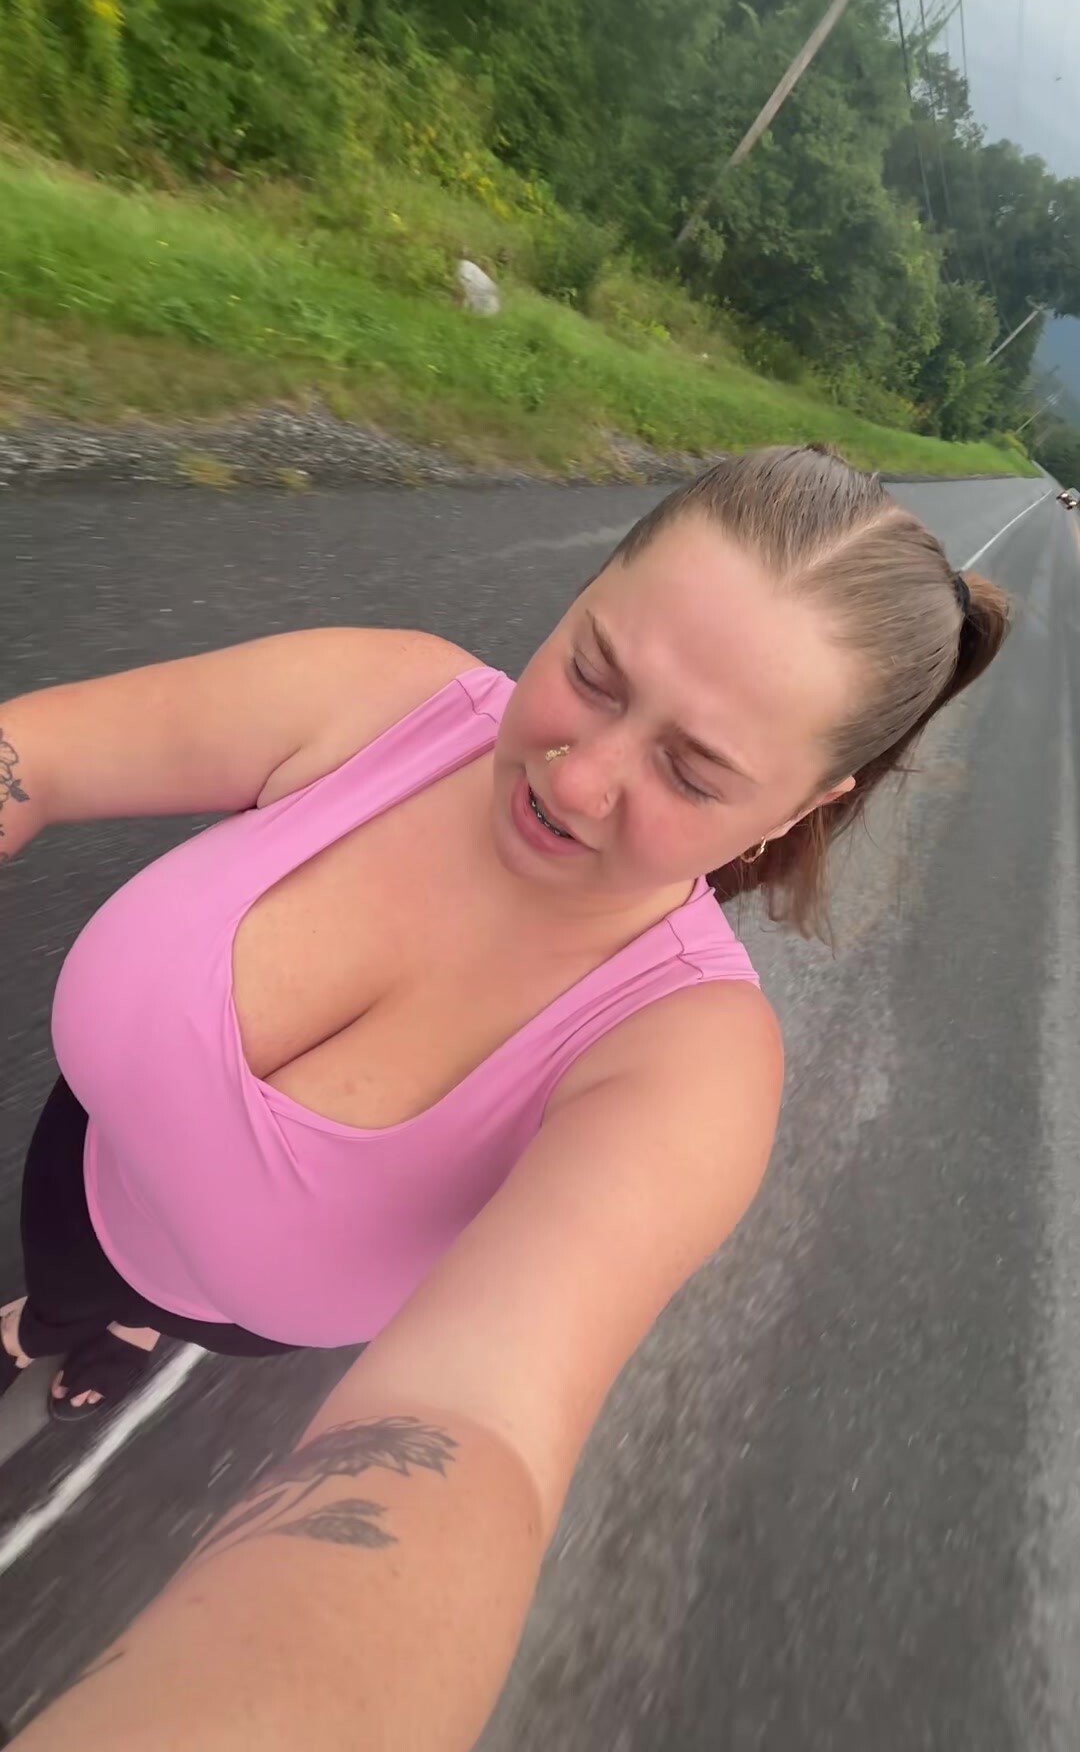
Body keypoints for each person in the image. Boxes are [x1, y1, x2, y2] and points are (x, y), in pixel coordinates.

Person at [1, 447, 1009, 1748]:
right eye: (593, 672)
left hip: (227, 1306)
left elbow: (472, 1436)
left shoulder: (687, 1061)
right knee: (64, 1278)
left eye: (694, 773)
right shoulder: (383, 700)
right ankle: (57, 1322)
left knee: (155, 1304)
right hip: (75, 1158)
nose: (574, 779)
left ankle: (117, 1330)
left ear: (805, 807)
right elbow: (32, 755)